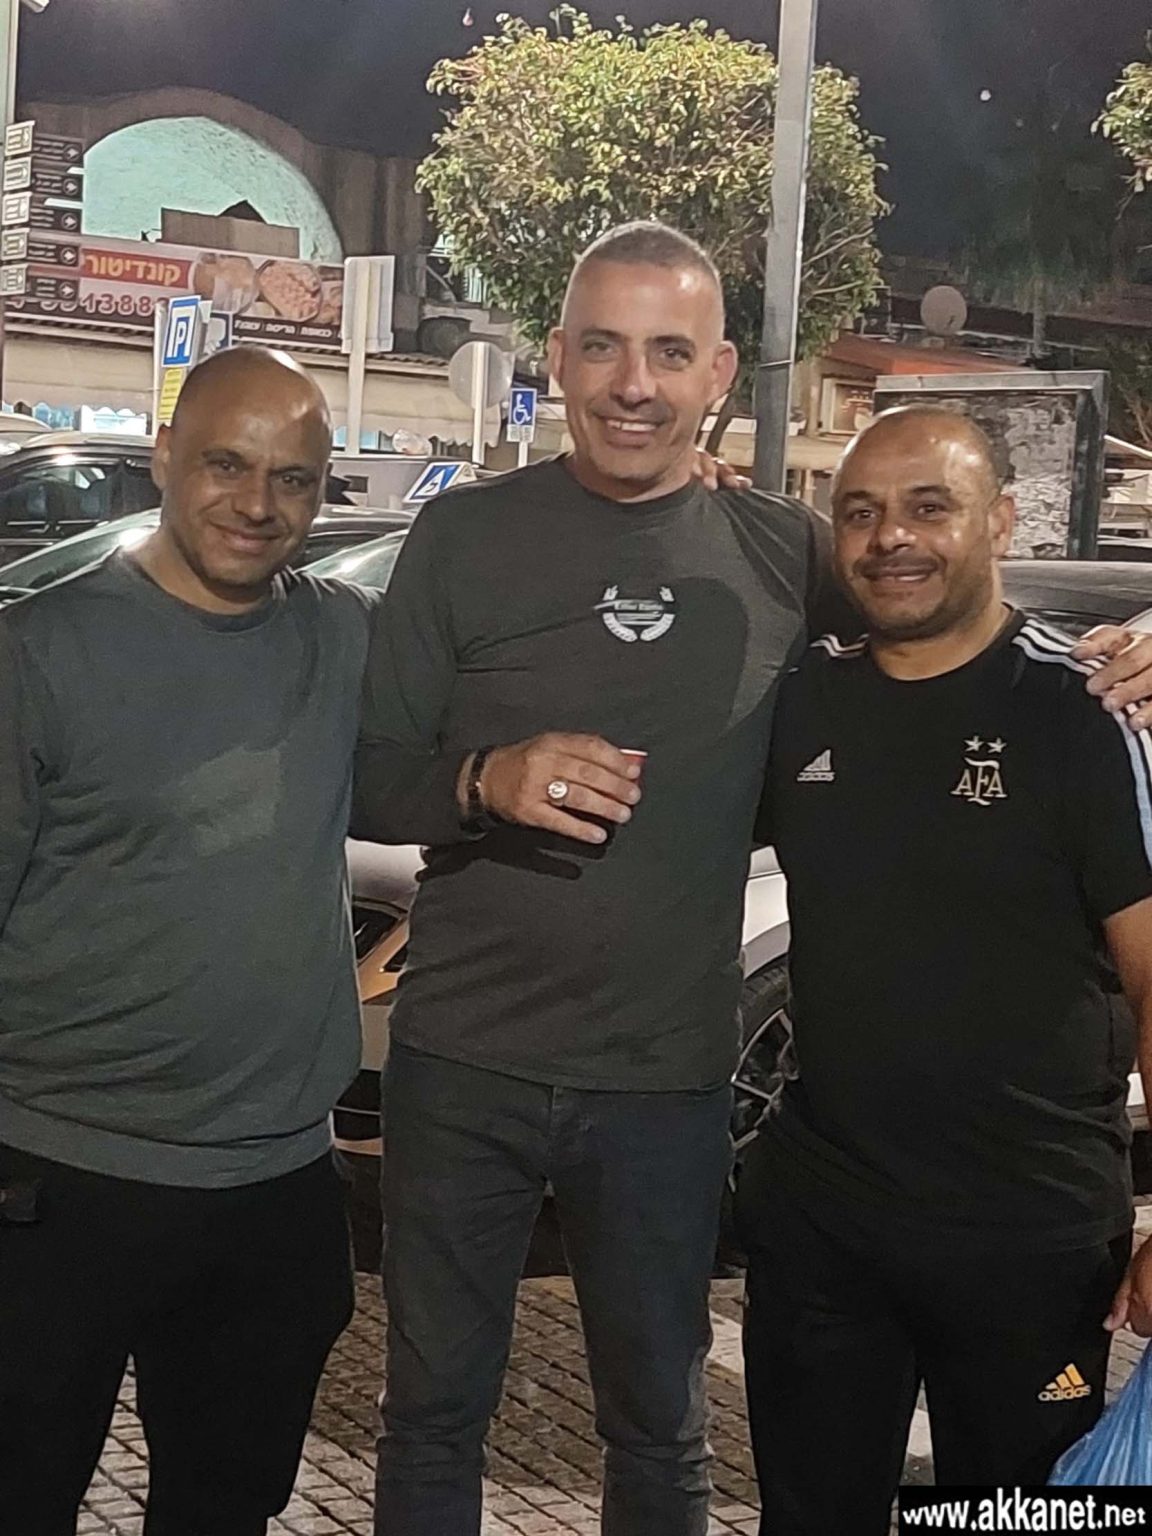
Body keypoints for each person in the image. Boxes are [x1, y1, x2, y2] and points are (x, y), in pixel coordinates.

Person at [350, 223, 1152, 1536]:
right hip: (474, 1073)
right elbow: (371, 778)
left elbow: (954, 611)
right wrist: (485, 779)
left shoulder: (792, 553)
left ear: (720, 373)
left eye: (670, 352)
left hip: (683, 1095)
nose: (634, 383)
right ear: (556, 358)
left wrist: (1144, 642)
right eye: (602, 347)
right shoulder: (464, 537)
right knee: (433, 1415)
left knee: (666, 1432)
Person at [736, 405, 1152, 1535]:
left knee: (1011, 1520)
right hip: (825, 1223)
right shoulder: (805, 701)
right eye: (861, 513)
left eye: (930, 507)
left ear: (1001, 522)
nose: (891, 538)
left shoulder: (1084, 711)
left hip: (1028, 1237)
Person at [0, 347, 369, 1535]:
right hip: (55, 1181)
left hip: (273, 1192)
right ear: (163, 456)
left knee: (225, 1510)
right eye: (226, 464)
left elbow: (506, 621)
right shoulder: (36, 651)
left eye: (293, 479)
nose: (258, 504)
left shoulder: (345, 639)